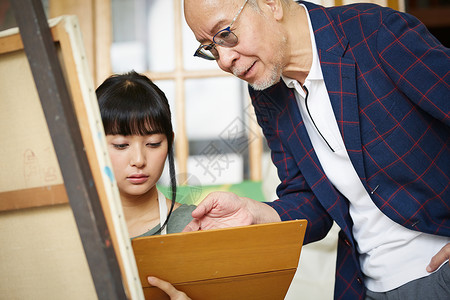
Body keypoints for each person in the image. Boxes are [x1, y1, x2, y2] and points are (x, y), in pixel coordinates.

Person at [182, 0, 450, 299]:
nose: (223, 60)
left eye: (225, 35)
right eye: (210, 48)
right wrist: (255, 213)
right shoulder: (268, 93)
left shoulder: (372, 30)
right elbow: (310, 200)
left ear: (270, 4)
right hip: (366, 286)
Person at [96, 71, 194, 299]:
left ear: (169, 141)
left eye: (153, 143)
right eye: (121, 145)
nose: (139, 160)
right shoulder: (70, 230)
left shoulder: (193, 227)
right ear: (92, 141)